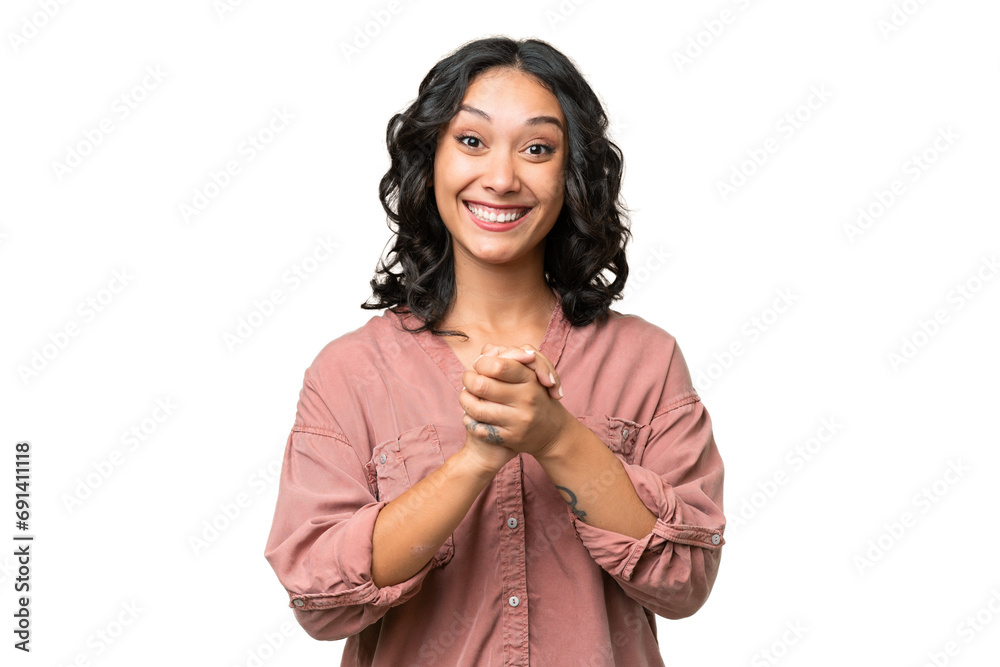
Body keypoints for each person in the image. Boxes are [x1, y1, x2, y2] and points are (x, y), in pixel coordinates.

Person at [264, 35, 725, 666]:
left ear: (574, 174)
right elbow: (321, 596)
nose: (502, 178)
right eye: (472, 141)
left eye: (538, 149)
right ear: (431, 160)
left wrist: (558, 437)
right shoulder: (349, 374)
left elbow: (685, 580)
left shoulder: (646, 361)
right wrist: (475, 460)